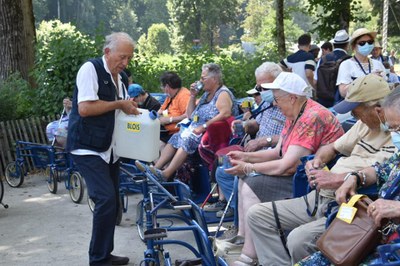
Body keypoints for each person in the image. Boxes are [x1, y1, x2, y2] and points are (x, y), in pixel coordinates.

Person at [246, 74, 395, 266]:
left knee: (298, 239)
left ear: (377, 110)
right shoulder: (364, 124)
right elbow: (332, 147)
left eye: (356, 112)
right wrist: (316, 161)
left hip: (351, 206)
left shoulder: (392, 133)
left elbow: (385, 174)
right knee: (256, 214)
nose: (353, 117)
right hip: (318, 196)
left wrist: (346, 179)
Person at [222, 72, 344, 265]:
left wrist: (248, 167)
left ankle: (249, 255)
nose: (275, 104)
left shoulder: (311, 117)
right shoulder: (295, 112)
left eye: (278, 99)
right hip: (302, 176)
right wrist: (246, 157)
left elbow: (288, 166)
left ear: (293, 98)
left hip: (314, 182)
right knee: (246, 179)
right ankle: (246, 243)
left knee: (251, 182)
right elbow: (278, 152)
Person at [296, 86, 400, 266]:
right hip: (375, 232)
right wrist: (355, 177)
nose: (395, 134)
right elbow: (382, 170)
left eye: (398, 127)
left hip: (390, 249)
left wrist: (397, 208)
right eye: (393, 128)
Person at [67, 32, 139, 266]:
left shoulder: (121, 76)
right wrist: (119, 103)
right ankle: (98, 259)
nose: (125, 63)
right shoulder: (90, 69)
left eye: (129, 58)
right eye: (122, 57)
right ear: (108, 52)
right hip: (87, 147)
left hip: (110, 148)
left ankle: (105, 254)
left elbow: (122, 110)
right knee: (106, 199)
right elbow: (85, 108)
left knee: (113, 202)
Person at [204, 62, 286, 223]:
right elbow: (257, 123)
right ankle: (237, 211)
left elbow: (290, 137)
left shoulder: (288, 104)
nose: (260, 92)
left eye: (264, 87)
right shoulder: (267, 103)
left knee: (238, 176)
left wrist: (263, 141)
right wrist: (244, 125)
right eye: (258, 87)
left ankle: (242, 223)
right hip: (257, 151)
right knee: (222, 170)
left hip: (275, 154)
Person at [150, 63, 238, 181]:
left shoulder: (222, 93)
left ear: (214, 79)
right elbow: (191, 114)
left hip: (213, 132)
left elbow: (225, 113)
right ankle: (155, 169)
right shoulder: (206, 94)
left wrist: (204, 126)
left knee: (188, 139)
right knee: (176, 137)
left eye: (203, 78)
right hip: (195, 128)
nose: (200, 81)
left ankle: (166, 173)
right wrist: (192, 96)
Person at [337, 28, 385, 98]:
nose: (367, 45)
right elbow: (343, 92)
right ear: (353, 46)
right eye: (362, 43)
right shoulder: (346, 65)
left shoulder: (378, 64)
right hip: (357, 107)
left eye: (370, 42)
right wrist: (368, 80)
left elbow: (385, 86)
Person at [314, 29, 350, 107]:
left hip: (323, 101)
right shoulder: (349, 60)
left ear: (333, 44)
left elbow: (315, 81)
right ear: (347, 45)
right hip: (341, 102)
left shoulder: (323, 59)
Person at [157, 71, 191, 144]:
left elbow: (188, 116)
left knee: (157, 144)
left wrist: (170, 120)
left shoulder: (184, 96)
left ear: (167, 87)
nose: (161, 88)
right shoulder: (171, 95)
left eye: (162, 86)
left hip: (177, 133)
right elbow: (162, 110)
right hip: (165, 131)